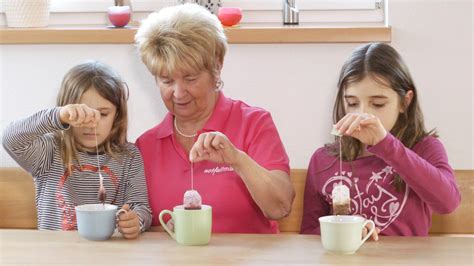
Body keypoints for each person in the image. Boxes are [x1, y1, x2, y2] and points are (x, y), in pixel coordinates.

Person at [134, 4, 295, 233]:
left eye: (190, 78)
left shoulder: (253, 123)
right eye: (167, 80)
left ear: (216, 67)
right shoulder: (145, 146)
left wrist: (237, 160)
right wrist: (162, 231)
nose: (178, 93)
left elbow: (280, 207)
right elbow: (137, 224)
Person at [300, 43, 461, 238]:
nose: (363, 114)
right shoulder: (323, 160)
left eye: (377, 104)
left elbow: (448, 203)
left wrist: (385, 143)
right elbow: (309, 234)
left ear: (405, 101)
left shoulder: (425, 148)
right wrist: (347, 233)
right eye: (352, 103)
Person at [2, 61, 152, 238]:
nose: (91, 122)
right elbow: (10, 138)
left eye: (103, 114)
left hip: (110, 256)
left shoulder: (129, 156)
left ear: (117, 115)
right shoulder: (49, 151)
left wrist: (136, 221)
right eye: (83, 112)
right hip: (56, 256)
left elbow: (140, 207)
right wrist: (57, 116)